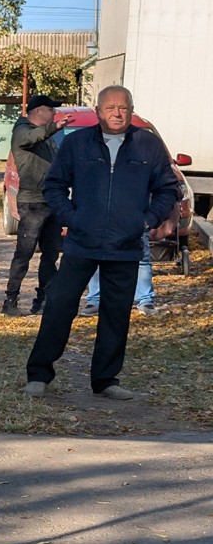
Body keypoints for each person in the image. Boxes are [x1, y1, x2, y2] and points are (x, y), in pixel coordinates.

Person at [23, 85, 179, 401]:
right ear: (98, 111)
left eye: (123, 107)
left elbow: (167, 188)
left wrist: (146, 220)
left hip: (125, 245)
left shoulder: (148, 146)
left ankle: (106, 380)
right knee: (59, 305)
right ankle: (39, 374)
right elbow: (54, 186)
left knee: (116, 312)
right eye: (110, 107)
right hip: (82, 242)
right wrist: (72, 217)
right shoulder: (77, 143)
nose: (117, 113)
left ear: (131, 111)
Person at [1, 94, 71, 317]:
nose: (55, 114)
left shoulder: (47, 137)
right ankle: (10, 301)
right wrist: (54, 127)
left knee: (50, 254)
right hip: (32, 204)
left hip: (52, 202)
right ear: (39, 111)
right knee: (24, 254)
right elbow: (29, 139)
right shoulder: (22, 130)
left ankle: (43, 300)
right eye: (52, 110)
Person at [81, 235, 156, 317]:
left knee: (142, 258)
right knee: (98, 257)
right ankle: (95, 300)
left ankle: (145, 300)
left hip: (136, 225)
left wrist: (149, 222)